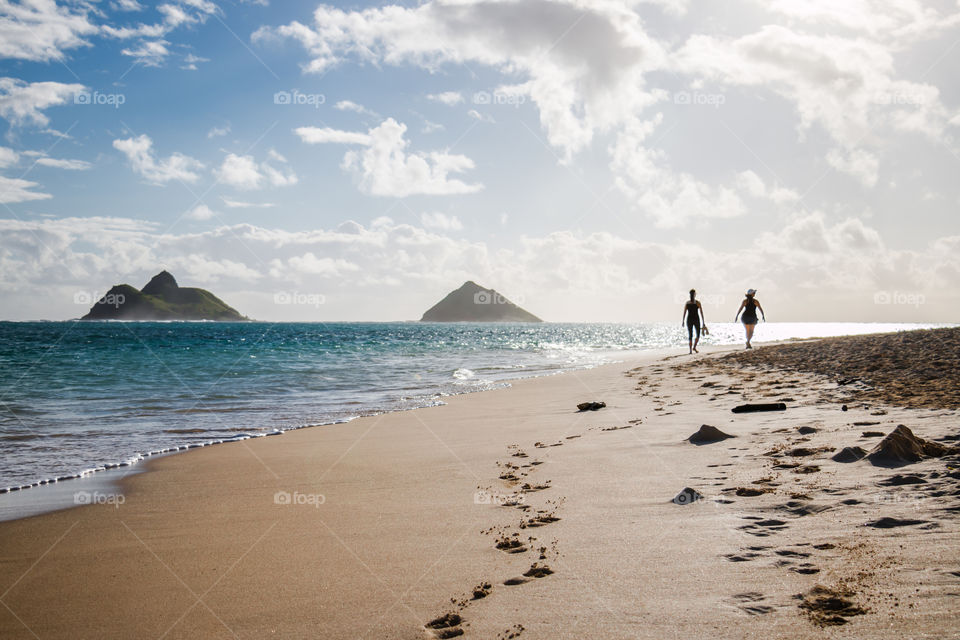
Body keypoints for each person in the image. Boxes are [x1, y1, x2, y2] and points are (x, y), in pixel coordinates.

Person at [681, 289, 706, 354]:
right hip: (696, 319)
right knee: (698, 334)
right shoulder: (697, 303)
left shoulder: (687, 303)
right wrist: (703, 322)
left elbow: (684, 313)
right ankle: (694, 347)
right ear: (694, 295)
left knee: (690, 335)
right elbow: (701, 312)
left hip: (689, 319)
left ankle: (690, 351)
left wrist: (683, 321)